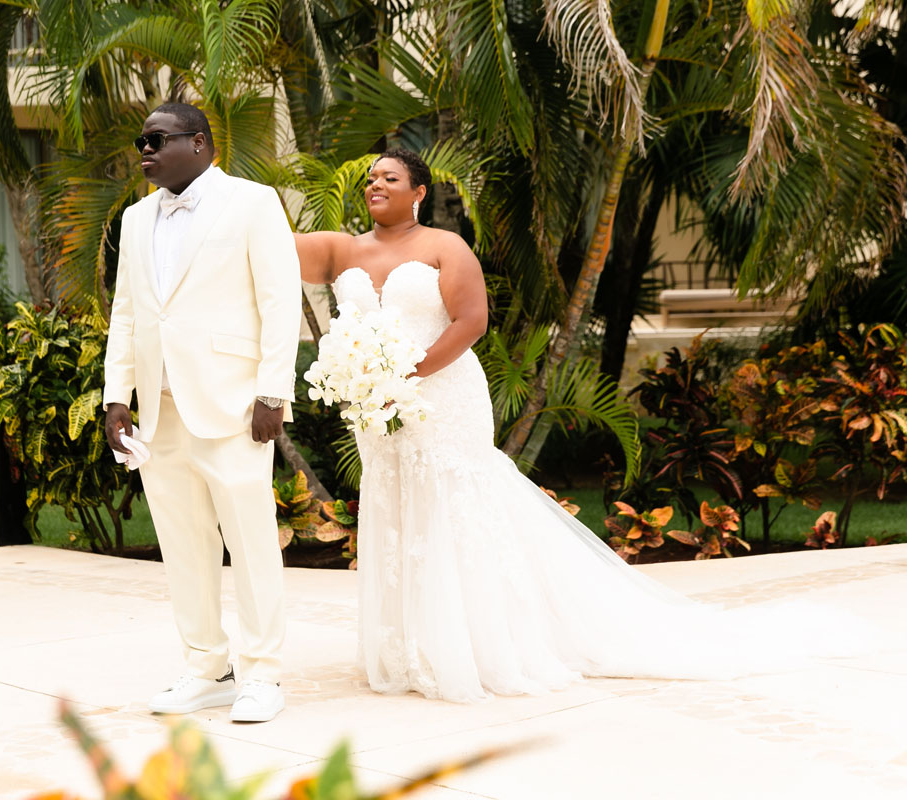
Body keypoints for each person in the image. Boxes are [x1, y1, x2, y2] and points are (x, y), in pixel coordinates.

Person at [294, 148, 873, 703]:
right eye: (371, 178)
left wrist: (407, 373)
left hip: (441, 397)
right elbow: (265, 244)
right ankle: (410, 648)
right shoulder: (343, 249)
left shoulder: (445, 246)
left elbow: (472, 321)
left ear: (418, 192)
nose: (375, 184)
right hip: (378, 411)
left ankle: (476, 644)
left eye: (390, 178)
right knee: (399, 510)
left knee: (453, 507)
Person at [102, 103, 301, 722]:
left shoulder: (252, 202)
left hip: (233, 405)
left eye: (157, 139)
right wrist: (116, 396)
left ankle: (263, 675)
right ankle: (208, 668)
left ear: (199, 143)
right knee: (184, 545)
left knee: (251, 543)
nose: (145, 149)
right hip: (160, 410)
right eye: (141, 141)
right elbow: (127, 312)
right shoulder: (136, 217)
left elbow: (280, 301)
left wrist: (273, 394)